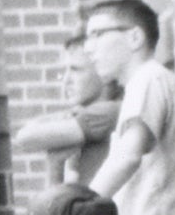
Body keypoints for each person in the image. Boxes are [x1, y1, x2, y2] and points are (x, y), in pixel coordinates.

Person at [80, 0, 175, 215]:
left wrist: (77, 211)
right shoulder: (145, 82)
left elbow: (127, 157)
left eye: (97, 35)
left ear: (135, 37)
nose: (89, 48)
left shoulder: (148, 79)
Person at [13, 34, 122, 188]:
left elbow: (25, 138)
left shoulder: (111, 112)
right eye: (65, 71)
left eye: (76, 70)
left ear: (103, 72)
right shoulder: (80, 115)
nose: (66, 80)